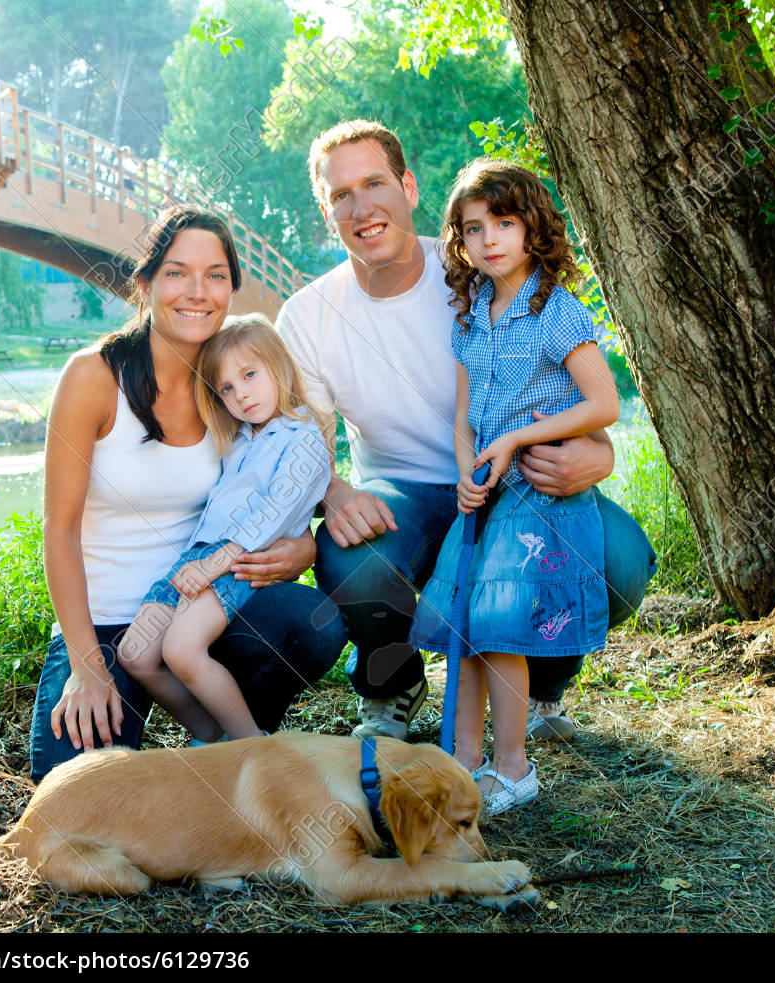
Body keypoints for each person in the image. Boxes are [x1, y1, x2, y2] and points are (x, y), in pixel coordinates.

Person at [275, 120, 656, 745]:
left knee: (619, 562)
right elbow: (303, 448)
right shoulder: (308, 316)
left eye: (374, 183)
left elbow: (577, 392)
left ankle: (543, 683)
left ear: (409, 186)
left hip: (516, 480)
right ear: (326, 211)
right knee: (355, 561)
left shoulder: (479, 270)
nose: (361, 207)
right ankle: (391, 684)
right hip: (405, 494)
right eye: (341, 194)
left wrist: (599, 453)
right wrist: (335, 495)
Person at [30, 206, 345, 781]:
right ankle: (200, 742)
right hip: (105, 623)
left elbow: (286, 466)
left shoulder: (231, 384)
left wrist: (308, 544)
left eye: (216, 275)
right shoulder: (92, 377)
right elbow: (59, 528)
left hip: (206, 602)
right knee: (80, 795)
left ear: (231, 289)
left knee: (313, 621)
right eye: (177, 273)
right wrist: (86, 664)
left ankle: (241, 747)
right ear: (146, 284)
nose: (197, 292)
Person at [408, 158, 620, 815]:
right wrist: (469, 465)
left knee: (500, 626)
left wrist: (516, 441)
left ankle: (514, 767)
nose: (490, 238)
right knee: (462, 623)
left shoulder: (555, 311)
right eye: (474, 228)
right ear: (460, 241)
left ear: (533, 230)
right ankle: (464, 761)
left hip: (537, 492)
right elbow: (465, 411)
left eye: (505, 222)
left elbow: (604, 401)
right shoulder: (473, 310)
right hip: (486, 490)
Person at [118, 315, 331, 742]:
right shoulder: (238, 438)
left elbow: (270, 517)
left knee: (181, 649)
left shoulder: (303, 438)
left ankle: (250, 744)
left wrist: (213, 565)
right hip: (194, 556)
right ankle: (213, 738)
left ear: (280, 368)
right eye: (227, 388)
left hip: (235, 561)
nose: (241, 394)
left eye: (250, 375)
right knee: (135, 653)